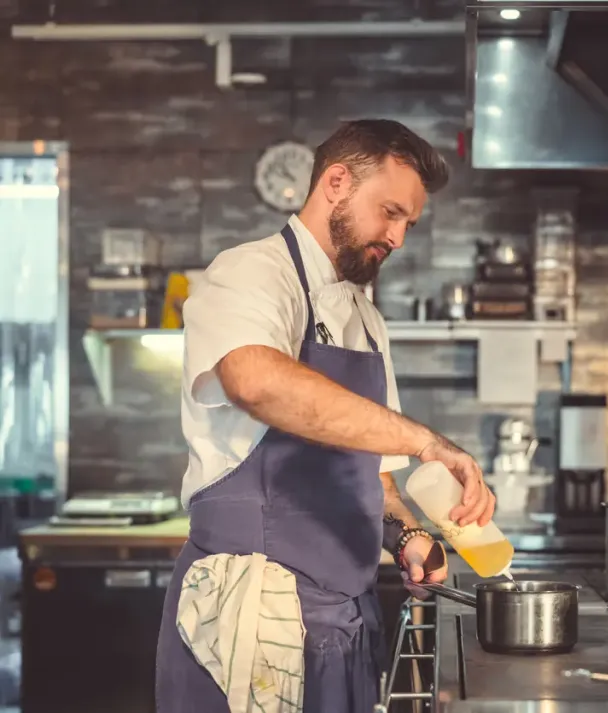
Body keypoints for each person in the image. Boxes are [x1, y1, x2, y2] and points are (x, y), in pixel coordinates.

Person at [155, 119, 496, 713]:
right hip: (251, 620)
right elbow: (256, 381)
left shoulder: (365, 316)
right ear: (336, 181)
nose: (398, 238)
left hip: (343, 621)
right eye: (390, 213)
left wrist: (408, 536)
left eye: (408, 224)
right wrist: (426, 442)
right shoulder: (251, 272)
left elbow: (374, 474)